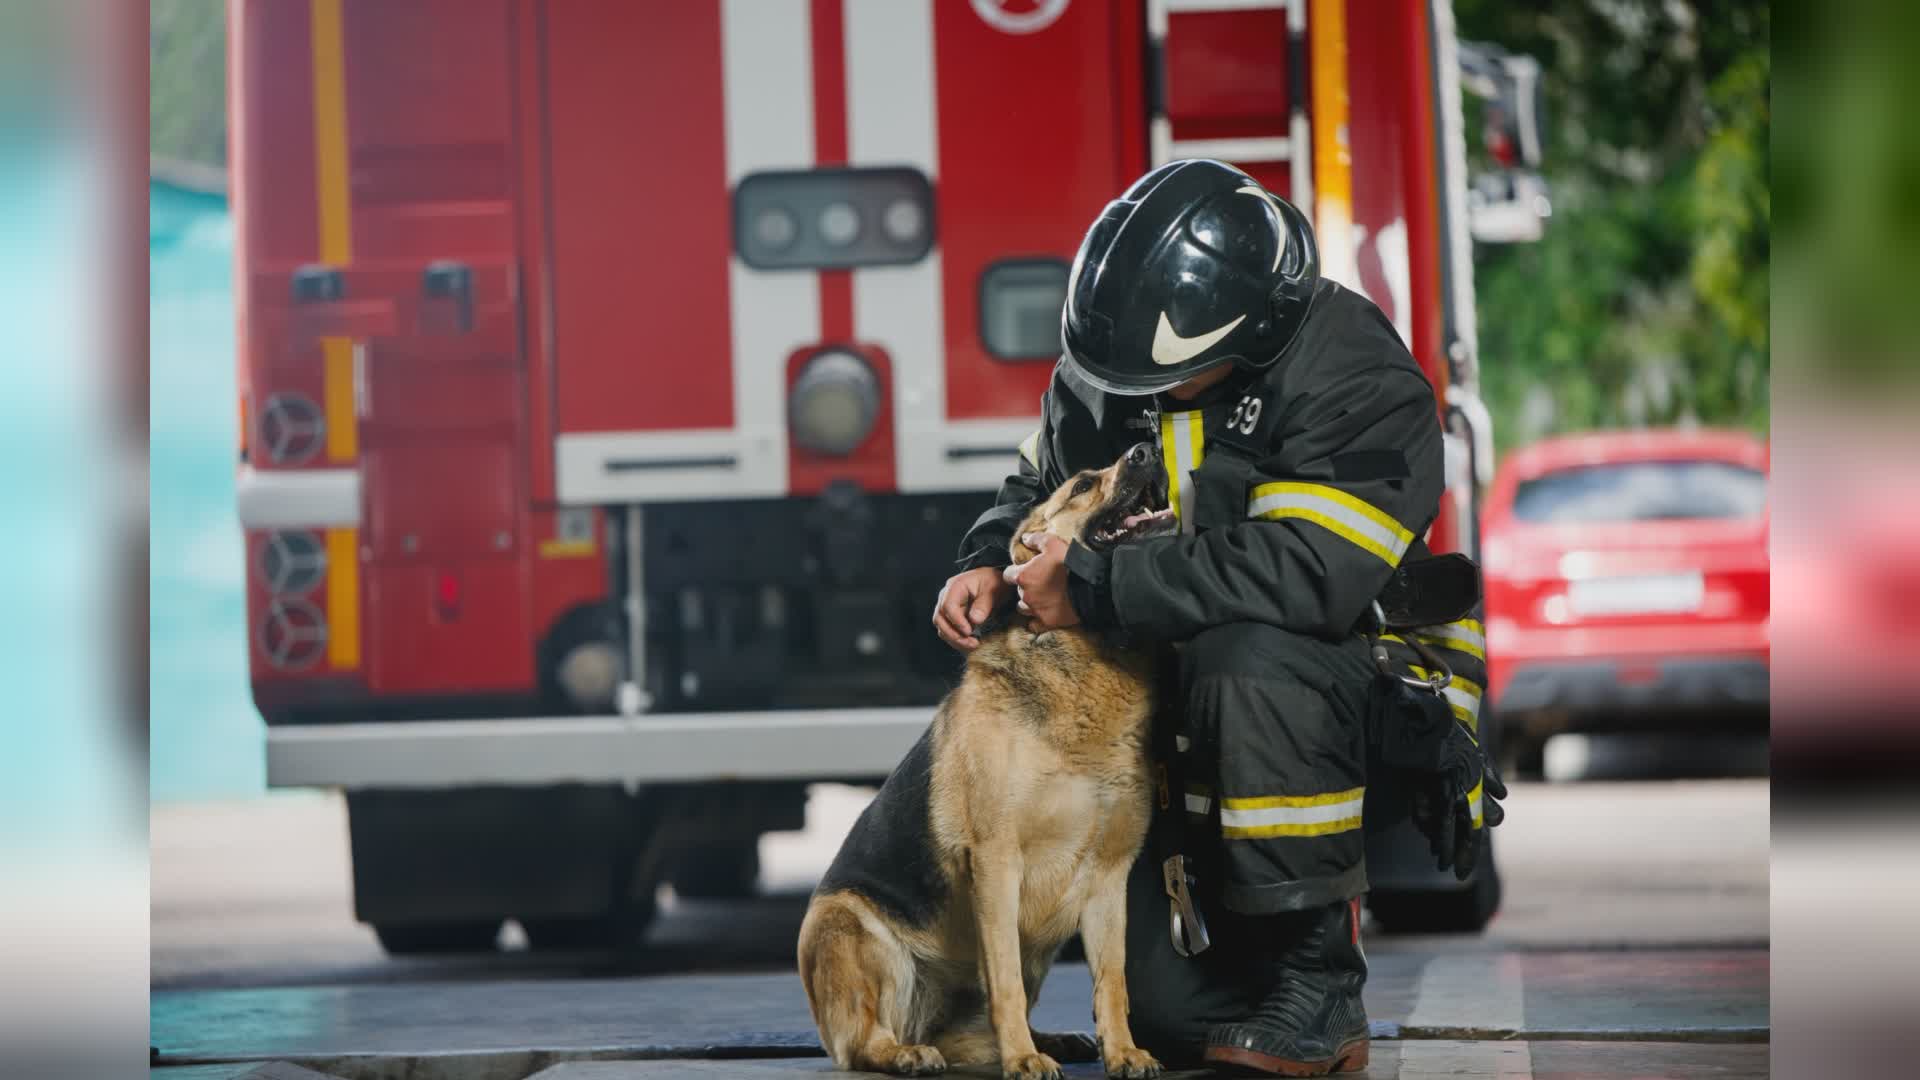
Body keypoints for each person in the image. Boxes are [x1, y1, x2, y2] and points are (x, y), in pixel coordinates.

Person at [932, 159, 1505, 1076]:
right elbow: (1040, 483)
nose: (1150, 399)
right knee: (1164, 1018)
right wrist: (989, 561)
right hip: (1189, 692)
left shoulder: (1352, 370)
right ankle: (1256, 975)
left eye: (1182, 376)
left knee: (1250, 653)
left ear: (1257, 326)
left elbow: (1306, 574)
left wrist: (1093, 589)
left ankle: (1319, 986)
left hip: (1356, 689)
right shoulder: (1119, 364)